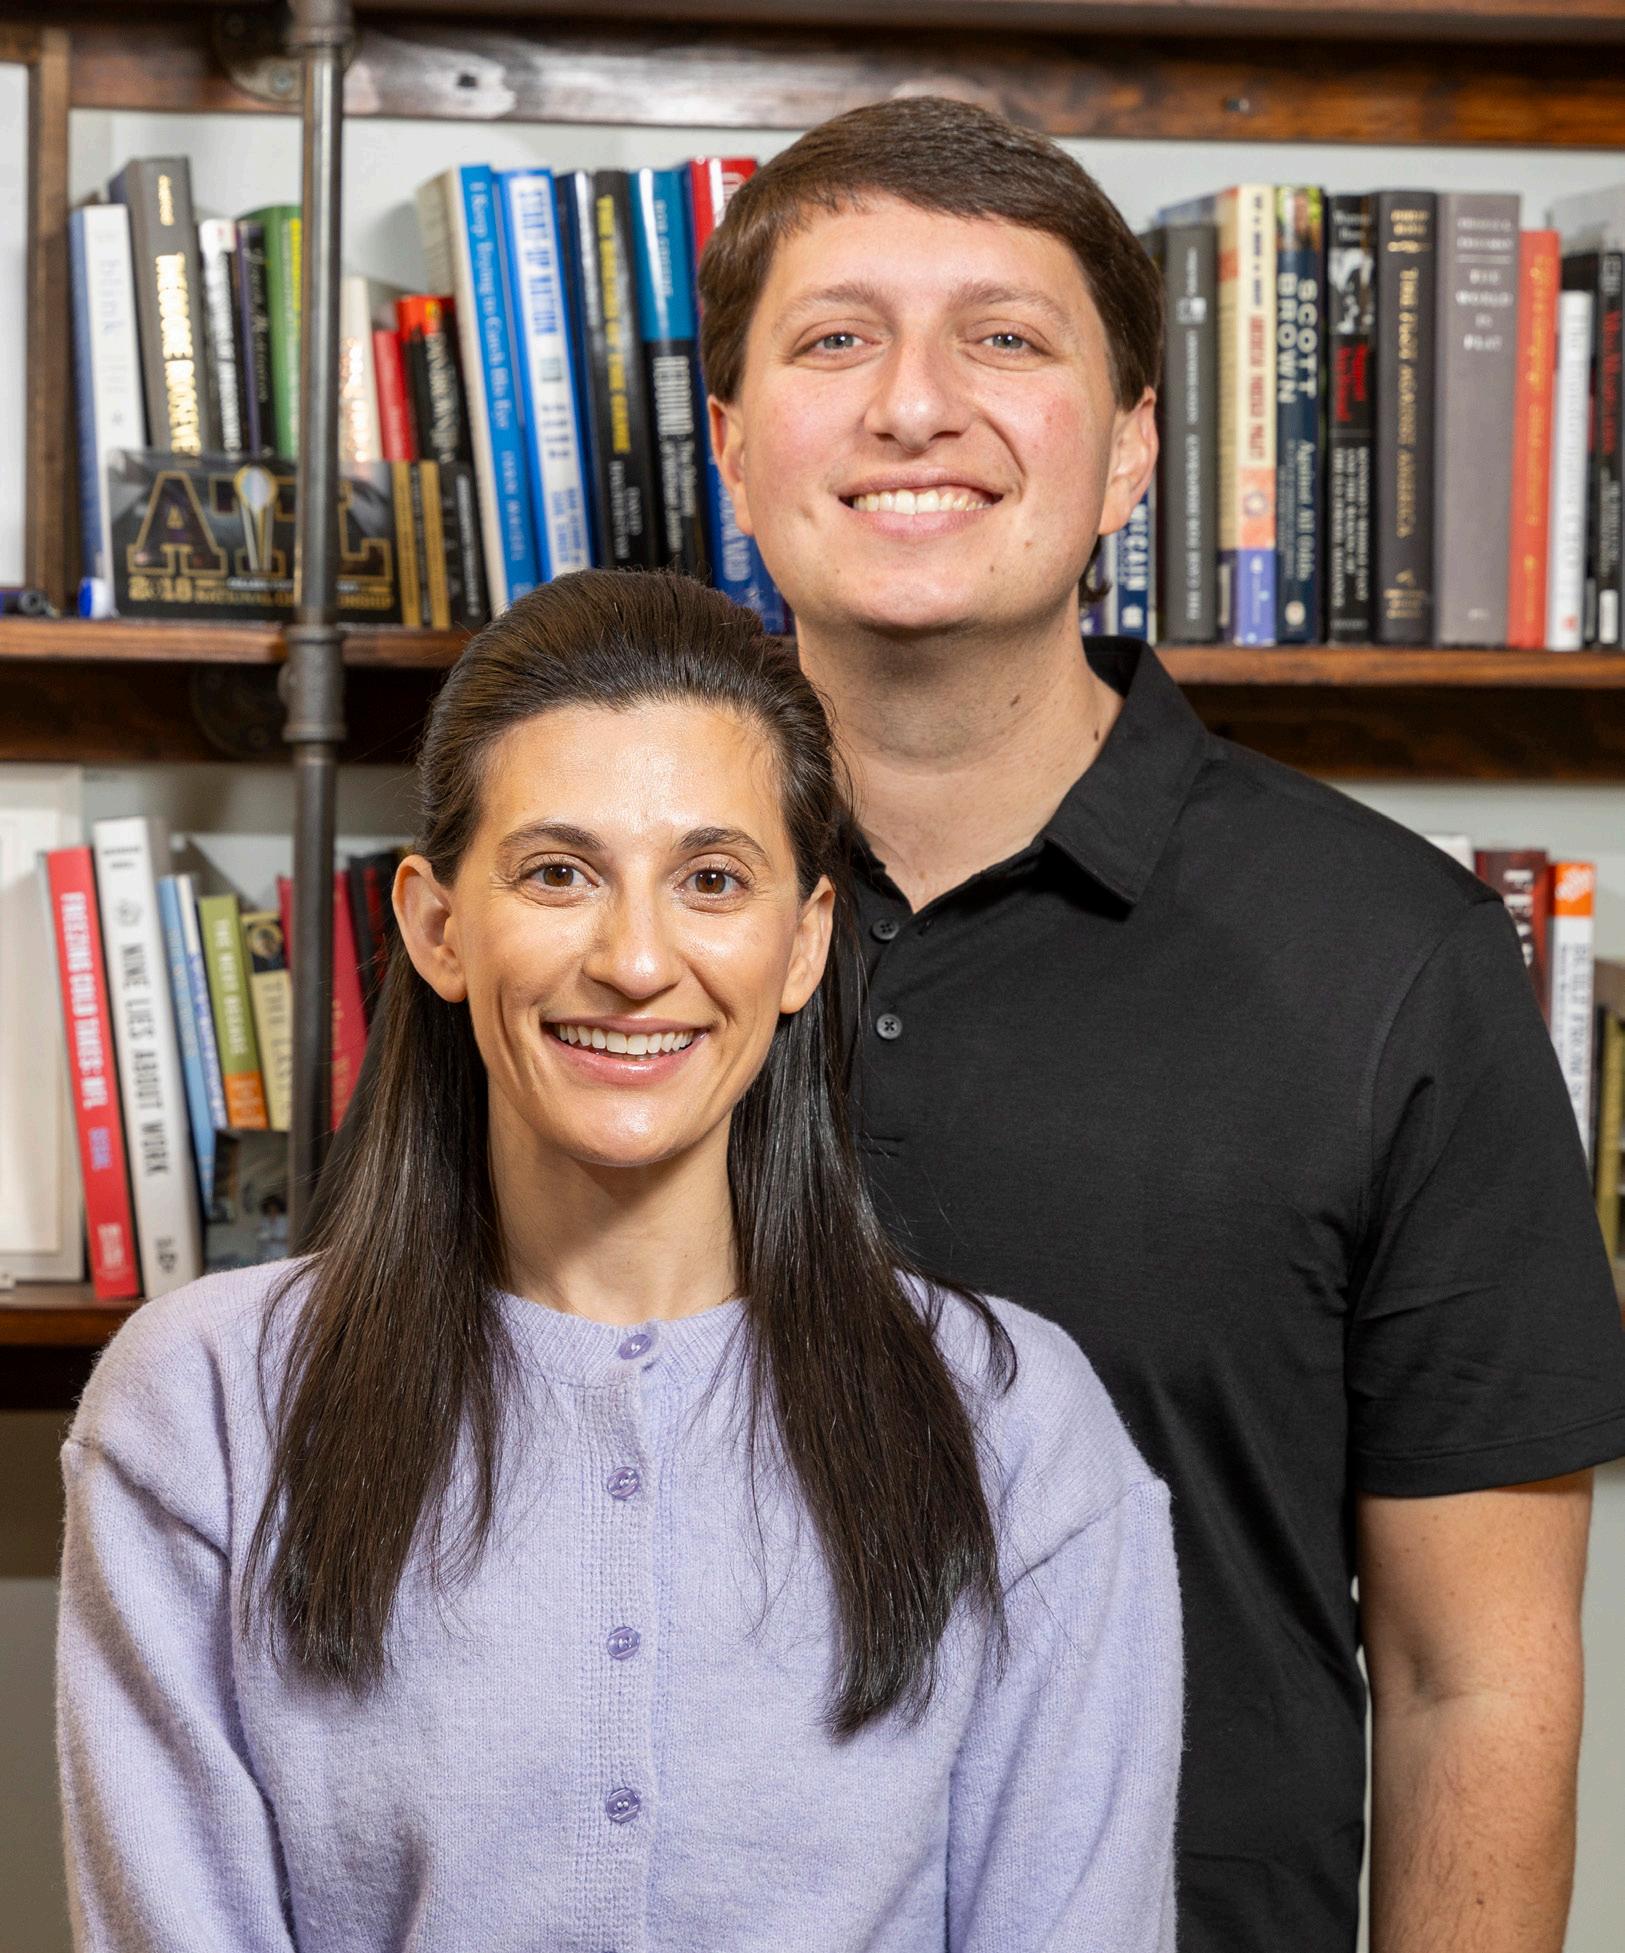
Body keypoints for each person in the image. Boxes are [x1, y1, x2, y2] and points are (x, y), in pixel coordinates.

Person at [694, 98, 1625, 1952]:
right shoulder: (575, 946)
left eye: (1003, 339)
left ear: (1130, 449)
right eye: (836, 338)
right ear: (729, 442)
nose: (912, 406)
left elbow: (1470, 1681)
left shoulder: (1394, 957)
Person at [56, 572, 1182, 1953]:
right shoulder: (202, 1406)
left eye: (711, 880)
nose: (636, 960)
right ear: (437, 928)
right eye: (557, 873)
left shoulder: (1017, 1425)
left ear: (804, 943)